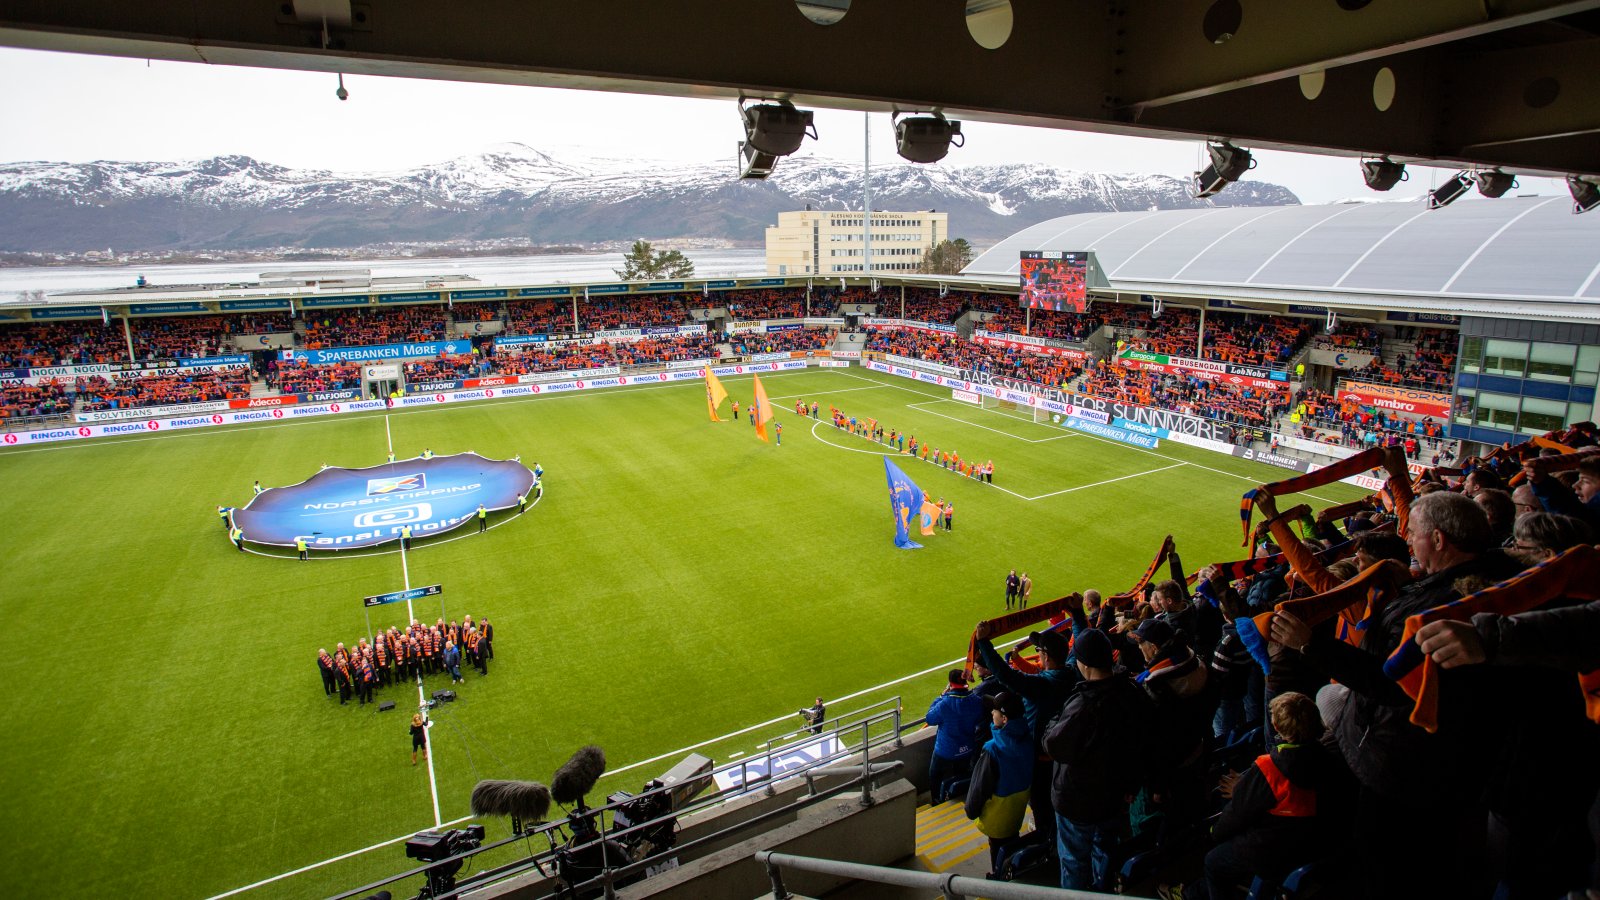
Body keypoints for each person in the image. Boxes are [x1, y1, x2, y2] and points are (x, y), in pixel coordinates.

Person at [1160, 693, 1335, 900]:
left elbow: (1238, 813)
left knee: (1213, 862)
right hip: (1311, 841)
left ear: (1277, 727)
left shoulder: (1269, 768)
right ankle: (1191, 893)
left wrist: (1216, 831)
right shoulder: (1327, 756)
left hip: (1274, 849)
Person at [1044, 627, 1155, 892]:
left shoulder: (1084, 705)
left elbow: (1054, 745)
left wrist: (1053, 720)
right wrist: (1131, 784)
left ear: (1083, 663)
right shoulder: (1133, 690)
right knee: (1105, 851)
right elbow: (1143, 743)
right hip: (1115, 797)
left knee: (1073, 861)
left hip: (1078, 801)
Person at [965, 691, 1033, 880]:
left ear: (1004, 719)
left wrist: (971, 810)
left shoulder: (992, 749)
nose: (991, 713)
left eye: (994, 711)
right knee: (1012, 840)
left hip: (997, 816)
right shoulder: (1029, 739)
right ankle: (1011, 870)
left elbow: (979, 788)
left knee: (998, 850)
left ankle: (999, 879)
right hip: (1017, 811)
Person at [926, 670, 987, 804]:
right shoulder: (976, 701)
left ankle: (936, 800)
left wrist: (940, 696)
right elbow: (980, 718)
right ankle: (957, 795)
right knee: (961, 774)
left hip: (945, 750)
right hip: (967, 748)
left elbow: (930, 718)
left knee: (935, 774)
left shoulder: (944, 704)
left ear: (950, 684)